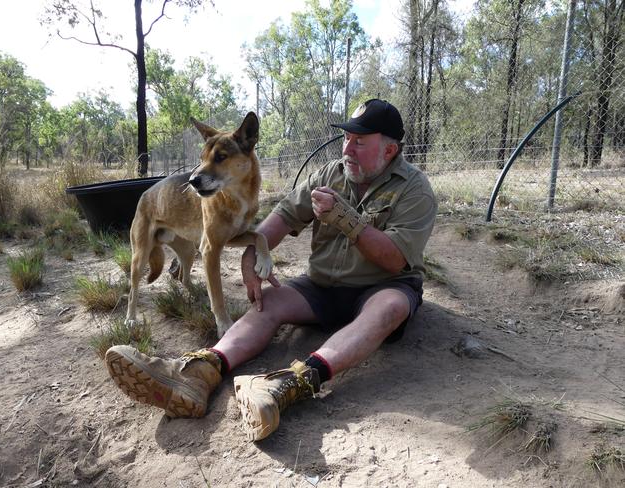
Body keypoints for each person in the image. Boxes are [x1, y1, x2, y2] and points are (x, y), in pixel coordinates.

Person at [105, 99, 438, 441]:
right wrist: (251, 257)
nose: (348, 148)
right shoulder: (329, 174)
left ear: (389, 150)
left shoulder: (414, 190)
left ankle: (289, 384)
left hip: (381, 286)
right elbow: (284, 215)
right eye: (346, 139)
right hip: (323, 286)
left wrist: (346, 218)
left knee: (392, 308)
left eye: (360, 141)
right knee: (269, 300)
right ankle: (198, 370)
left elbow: (395, 259)